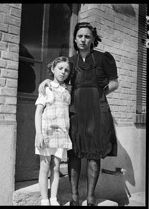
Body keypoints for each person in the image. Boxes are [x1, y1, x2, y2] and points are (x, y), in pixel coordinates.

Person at [38, 22, 119, 206]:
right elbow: (59, 79)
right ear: (75, 39)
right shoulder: (70, 61)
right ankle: (74, 197)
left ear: (92, 39)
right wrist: (46, 82)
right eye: (80, 36)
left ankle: (91, 197)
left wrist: (98, 95)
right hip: (74, 110)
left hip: (97, 111)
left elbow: (114, 84)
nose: (83, 39)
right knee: (74, 152)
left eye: (87, 36)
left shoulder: (103, 58)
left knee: (94, 153)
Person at [35, 56, 73, 206]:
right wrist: (39, 134)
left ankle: (53, 198)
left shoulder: (67, 91)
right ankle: (44, 200)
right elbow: (38, 112)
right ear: (52, 69)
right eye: (60, 68)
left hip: (61, 134)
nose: (63, 72)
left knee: (56, 167)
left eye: (66, 70)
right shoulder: (47, 88)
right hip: (46, 133)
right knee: (45, 166)